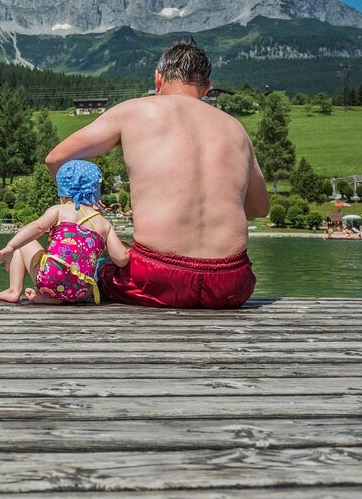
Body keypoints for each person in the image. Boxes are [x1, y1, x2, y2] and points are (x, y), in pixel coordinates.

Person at [46, 41, 270, 309]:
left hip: (155, 278)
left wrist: (78, 209)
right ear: (206, 88)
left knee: (91, 269)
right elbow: (259, 208)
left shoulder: (134, 111)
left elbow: (56, 158)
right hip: (231, 285)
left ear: (158, 78)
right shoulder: (236, 128)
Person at [0, 160, 128, 305]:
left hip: (51, 278)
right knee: (86, 278)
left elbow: (37, 227)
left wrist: (11, 247)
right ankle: (52, 298)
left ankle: (14, 291)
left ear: (64, 193)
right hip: (82, 290)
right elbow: (121, 258)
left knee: (24, 243)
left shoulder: (60, 210)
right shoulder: (103, 223)